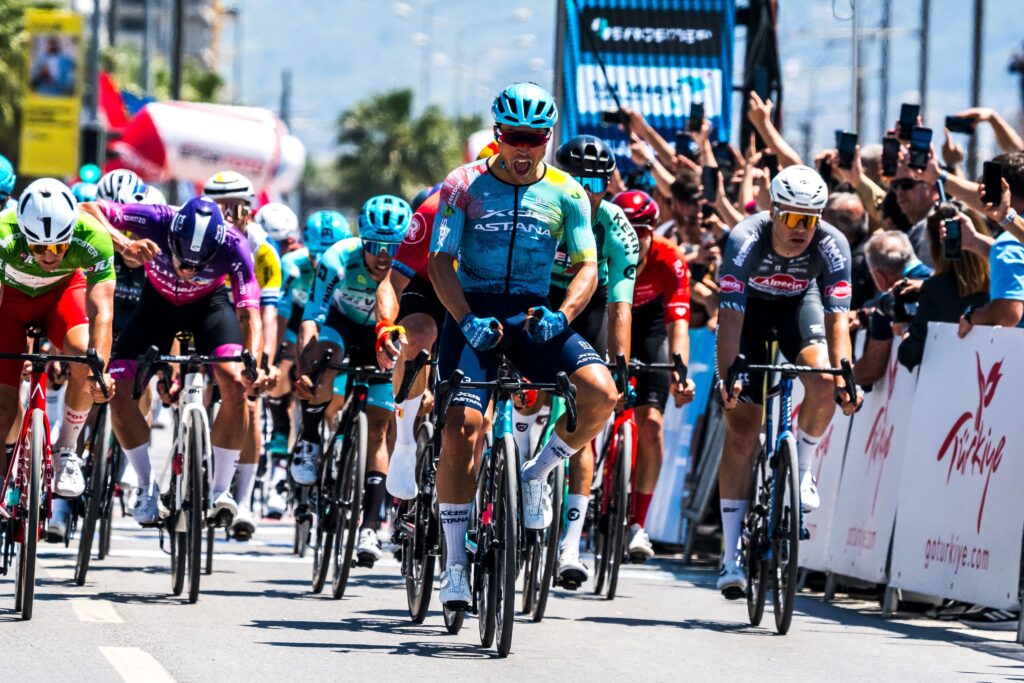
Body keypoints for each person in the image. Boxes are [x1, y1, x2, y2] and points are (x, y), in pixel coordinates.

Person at [427, 82, 617, 608]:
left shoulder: (568, 192)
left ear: (548, 138)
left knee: (601, 394)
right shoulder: (462, 185)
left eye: (534, 138)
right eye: (514, 136)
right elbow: (440, 262)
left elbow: (586, 266)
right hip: (474, 314)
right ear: (498, 135)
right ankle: (456, 567)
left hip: (535, 316)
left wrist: (563, 316)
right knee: (461, 428)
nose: (523, 148)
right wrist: (464, 320)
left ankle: (537, 472)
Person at [715, 164, 861, 599]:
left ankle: (804, 469)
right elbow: (730, 319)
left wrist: (844, 378)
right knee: (741, 431)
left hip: (800, 306)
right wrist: (730, 379)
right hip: (750, 317)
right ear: (774, 211)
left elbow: (838, 325)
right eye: (794, 218)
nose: (802, 230)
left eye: (811, 219)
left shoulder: (833, 244)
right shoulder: (745, 239)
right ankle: (730, 555)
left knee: (822, 380)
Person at [97, 196, 264, 527]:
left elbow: (249, 313)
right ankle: (146, 486)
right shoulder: (155, 219)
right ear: (171, 235)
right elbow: (88, 210)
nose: (187, 270)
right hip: (156, 306)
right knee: (117, 387)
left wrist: (252, 364)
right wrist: (121, 244)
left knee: (234, 385)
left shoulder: (234, 244)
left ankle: (219, 492)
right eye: (180, 258)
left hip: (209, 309)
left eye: (198, 265)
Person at [292, 195, 412, 565]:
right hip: (340, 328)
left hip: (382, 336)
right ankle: (310, 438)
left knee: (379, 428)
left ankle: (370, 527)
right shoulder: (338, 260)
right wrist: (304, 371)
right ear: (363, 240)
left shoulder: (407, 271)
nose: (383, 256)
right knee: (326, 355)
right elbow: (312, 316)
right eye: (375, 246)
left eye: (392, 247)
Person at [0, 180, 117, 543]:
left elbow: (102, 313)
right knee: (3, 403)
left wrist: (99, 372)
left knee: (85, 356)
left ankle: (67, 450)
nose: (50, 255)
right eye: (39, 246)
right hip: (11, 302)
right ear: (23, 232)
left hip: (61, 298)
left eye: (59, 245)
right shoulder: (4, 233)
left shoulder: (94, 236)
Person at [546, 134, 638, 584]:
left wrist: (619, 365)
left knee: (586, 416)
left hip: (591, 304)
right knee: (524, 394)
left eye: (598, 181)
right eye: (578, 180)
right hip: (540, 295)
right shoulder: (542, 209)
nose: (587, 189)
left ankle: (570, 543)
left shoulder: (617, 226)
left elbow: (621, 304)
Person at [611, 189, 696, 561]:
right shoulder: (604, 249)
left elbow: (679, 323)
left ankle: (638, 523)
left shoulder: (670, 258)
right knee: (599, 401)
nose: (634, 237)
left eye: (642, 230)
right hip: (612, 316)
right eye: (627, 228)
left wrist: (680, 373)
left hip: (651, 327)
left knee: (652, 424)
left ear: (653, 231)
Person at [203, 171, 282, 539]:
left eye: (237, 208)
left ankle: (244, 498)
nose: (229, 215)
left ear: (250, 212)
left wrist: (262, 362)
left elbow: (266, 315)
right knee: (191, 385)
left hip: (243, 324)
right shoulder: (195, 233)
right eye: (221, 208)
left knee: (248, 401)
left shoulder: (264, 250)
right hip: (202, 318)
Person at [262, 209, 351, 518]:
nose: (319, 259)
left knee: (334, 399)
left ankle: (337, 453)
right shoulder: (292, 265)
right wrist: (275, 360)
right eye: (314, 253)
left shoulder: (345, 264)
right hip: (297, 323)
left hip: (335, 325)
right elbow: (281, 313)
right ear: (303, 246)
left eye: (326, 253)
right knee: (285, 372)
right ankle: (281, 454)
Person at [899, 212, 989, 370]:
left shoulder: (936, 290)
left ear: (937, 246)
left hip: (953, 383)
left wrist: (904, 327)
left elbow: (910, 355)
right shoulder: (1002, 281)